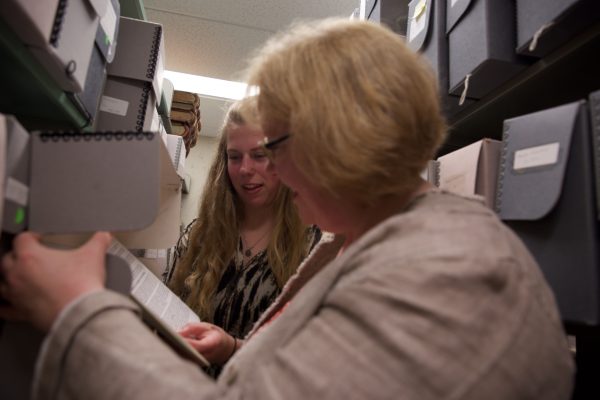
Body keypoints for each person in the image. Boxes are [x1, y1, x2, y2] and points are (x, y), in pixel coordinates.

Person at [0, 18, 574, 400]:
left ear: (335, 139)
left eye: (274, 147)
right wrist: (238, 351)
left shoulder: (449, 276)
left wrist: (78, 309)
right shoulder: (376, 236)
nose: (267, 170)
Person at [165, 99, 319, 352]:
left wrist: (233, 348)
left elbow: (310, 354)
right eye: (234, 157)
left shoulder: (313, 248)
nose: (245, 169)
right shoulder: (200, 235)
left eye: (260, 155)